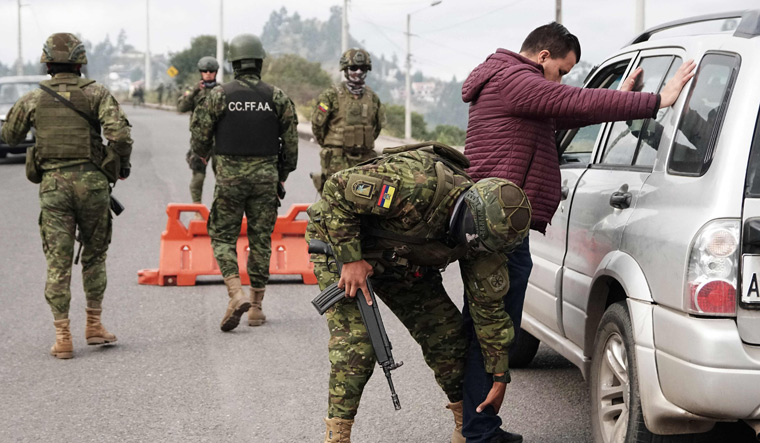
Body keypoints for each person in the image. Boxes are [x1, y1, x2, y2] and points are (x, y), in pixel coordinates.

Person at [460, 22, 696, 442]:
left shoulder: (511, 81)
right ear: (544, 57)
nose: (562, 79)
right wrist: (659, 99)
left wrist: (622, 98)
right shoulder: (514, 79)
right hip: (497, 232)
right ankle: (479, 432)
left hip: (498, 227)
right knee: (491, 332)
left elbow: (567, 111)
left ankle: (475, 424)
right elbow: (572, 100)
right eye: (563, 70)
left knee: (487, 328)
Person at [306, 142, 532, 443]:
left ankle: (464, 426)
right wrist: (350, 258)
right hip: (342, 243)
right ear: (470, 216)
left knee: (449, 337)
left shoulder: (485, 241)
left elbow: (489, 312)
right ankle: (337, 436)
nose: (476, 251)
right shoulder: (415, 184)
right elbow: (336, 189)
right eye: (476, 243)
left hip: (402, 261)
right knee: (358, 345)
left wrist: (500, 374)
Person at [1, 32, 133, 359]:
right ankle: (93, 325)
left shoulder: (34, 98)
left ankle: (63, 337)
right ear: (79, 62)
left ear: (47, 63)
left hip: (53, 187)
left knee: (58, 262)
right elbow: (120, 136)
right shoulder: (97, 93)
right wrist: (120, 166)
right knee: (94, 255)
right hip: (92, 185)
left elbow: (10, 136)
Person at [190, 34, 298, 332]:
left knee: (223, 236)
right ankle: (257, 307)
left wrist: (206, 155)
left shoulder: (218, 95)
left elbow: (199, 141)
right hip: (266, 179)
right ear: (260, 62)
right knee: (261, 240)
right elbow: (290, 147)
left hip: (229, 179)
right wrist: (281, 175)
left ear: (234, 63)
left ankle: (236, 293)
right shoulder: (276, 96)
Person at [310, 48, 386, 193]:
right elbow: (318, 127)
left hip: (365, 161)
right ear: (345, 69)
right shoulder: (330, 96)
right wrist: (332, 146)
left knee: (365, 203)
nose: (358, 72)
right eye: (353, 68)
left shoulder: (373, 98)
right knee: (335, 204)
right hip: (337, 161)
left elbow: (377, 127)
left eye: (362, 68)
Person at [177, 56, 219, 205]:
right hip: (200, 141)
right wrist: (194, 91)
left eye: (211, 71)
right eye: (204, 71)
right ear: (200, 72)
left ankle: (219, 210)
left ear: (216, 72)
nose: (208, 74)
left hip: (220, 141)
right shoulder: (193, 90)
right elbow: (181, 108)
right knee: (198, 176)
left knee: (223, 179)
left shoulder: (222, 90)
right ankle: (197, 207)